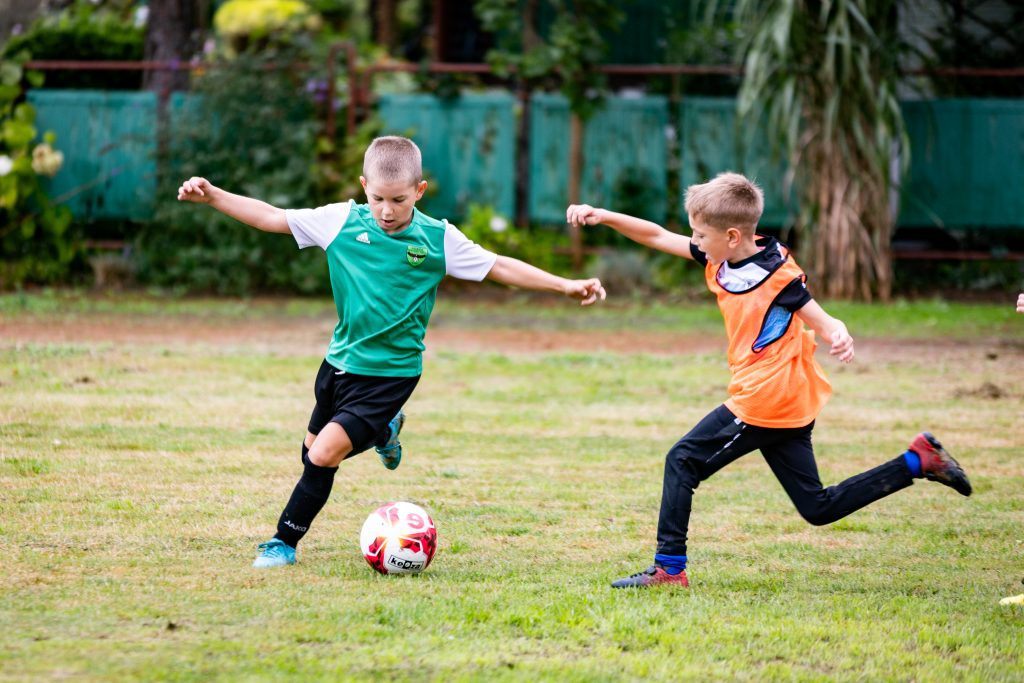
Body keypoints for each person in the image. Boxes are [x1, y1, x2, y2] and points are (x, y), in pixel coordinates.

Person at [178, 135, 606, 569]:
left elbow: (499, 266)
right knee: (311, 457)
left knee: (323, 455)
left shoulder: (437, 239)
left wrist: (565, 285)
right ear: (364, 186)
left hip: (391, 373)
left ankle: (282, 543)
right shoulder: (340, 221)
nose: (386, 210)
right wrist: (214, 196)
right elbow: (272, 217)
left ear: (419, 191)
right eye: (378, 198)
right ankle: (384, 432)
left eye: (399, 200)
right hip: (338, 363)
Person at [566, 172, 971, 589]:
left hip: (766, 397)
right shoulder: (723, 257)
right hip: (789, 399)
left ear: (732, 236)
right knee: (817, 507)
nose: (695, 242)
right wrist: (604, 215)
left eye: (701, 235)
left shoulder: (777, 276)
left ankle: (669, 569)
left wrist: (839, 334)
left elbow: (822, 318)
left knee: (682, 460)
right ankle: (918, 461)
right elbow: (656, 236)